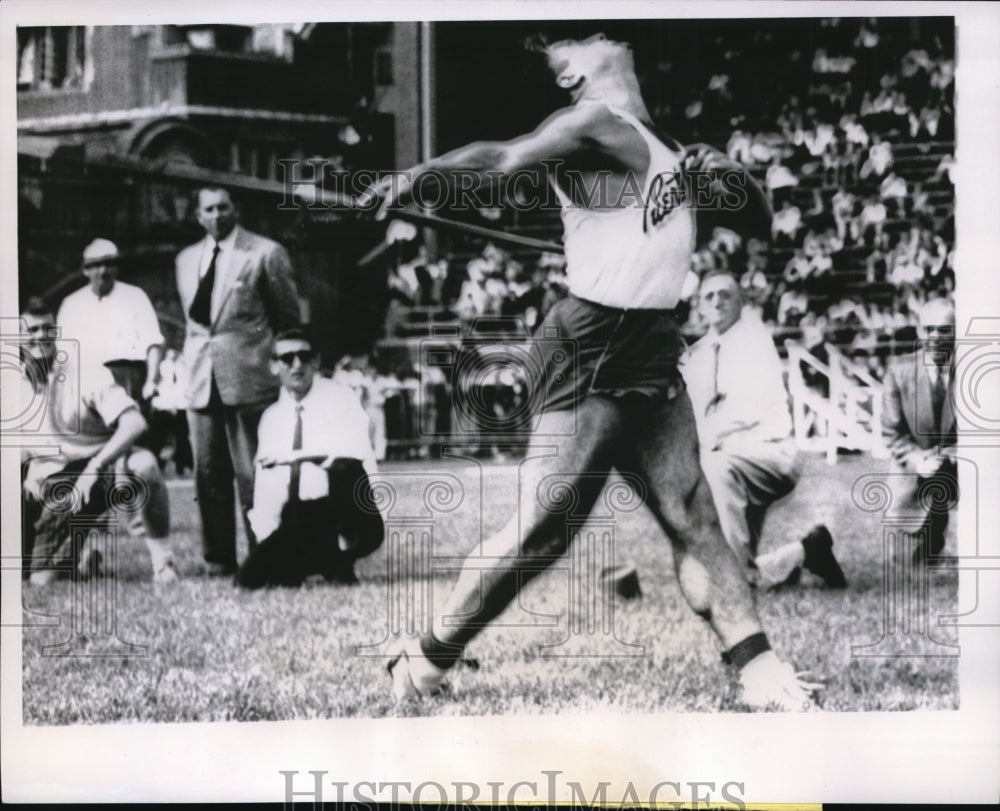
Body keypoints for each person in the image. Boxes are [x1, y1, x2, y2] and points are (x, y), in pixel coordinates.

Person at [364, 32, 819, 711]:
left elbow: (760, 223)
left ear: (612, 40)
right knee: (543, 530)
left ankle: (759, 670)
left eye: (564, 56)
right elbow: (505, 158)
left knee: (695, 516)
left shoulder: (666, 146)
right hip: (590, 338)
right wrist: (418, 176)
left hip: (653, 341)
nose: (561, 76)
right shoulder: (594, 124)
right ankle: (422, 662)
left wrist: (732, 175)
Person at [679, 271, 846, 590]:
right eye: (709, 296)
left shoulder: (755, 342)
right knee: (740, 562)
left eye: (726, 294)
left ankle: (736, 579)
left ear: (741, 301)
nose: (717, 301)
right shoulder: (697, 356)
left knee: (715, 469)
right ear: (699, 305)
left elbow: (748, 410)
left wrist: (707, 441)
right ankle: (809, 550)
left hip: (769, 451)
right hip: (728, 457)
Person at [176, 186, 301, 576]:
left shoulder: (265, 252)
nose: (216, 216)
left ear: (237, 209)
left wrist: (282, 369)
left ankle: (264, 554)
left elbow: (288, 319)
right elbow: (197, 323)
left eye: (223, 207)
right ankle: (218, 560)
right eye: (208, 209)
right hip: (200, 378)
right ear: (198, 215)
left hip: (250, 375)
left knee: (254, 474)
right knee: (208, 473)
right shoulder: (185, 259)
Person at [20, 304, 177, 585]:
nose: (41, 335)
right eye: (32, 329)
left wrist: (95, 467)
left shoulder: (84, 370)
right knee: (40, 580)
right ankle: (82, 549)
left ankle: (163, 561)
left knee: (143, 464)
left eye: (48, 328)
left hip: (96, 472)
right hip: (49, 485)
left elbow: (135, 423)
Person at [236, 329, 383, 589]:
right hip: (295, 520)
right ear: (274, 365)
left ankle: (341, 558)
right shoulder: (271, 418)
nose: (296, 365)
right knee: (247, 580)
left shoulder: (341, 399)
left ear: (316, 362)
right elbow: (265, 493)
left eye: (304, 357)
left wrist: (293, 458)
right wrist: (267, 543)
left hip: (341, 515)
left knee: (343, 469)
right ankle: (313, 562)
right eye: (287, 358)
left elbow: (352, 462)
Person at [880, 297, 957, 565]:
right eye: (928, 329)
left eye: (944, 330)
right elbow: (892, 434)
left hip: (960, 462)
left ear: (957, 331)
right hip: (914, 463)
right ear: (918, 331)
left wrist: (952, 453)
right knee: (903, 560)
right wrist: (919, 460)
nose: (935, 337)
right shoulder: (898, 372)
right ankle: (928, 533)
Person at [56, 238, 164, 404]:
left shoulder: (135, 296)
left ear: (116, 268)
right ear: (85, 270)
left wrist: (151, 382)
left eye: (109, 264)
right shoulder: (71, 303)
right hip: (87, 382)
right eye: (96, 265)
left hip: (129, 378)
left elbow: (153, 343)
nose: (103, 271)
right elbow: (64, 352)